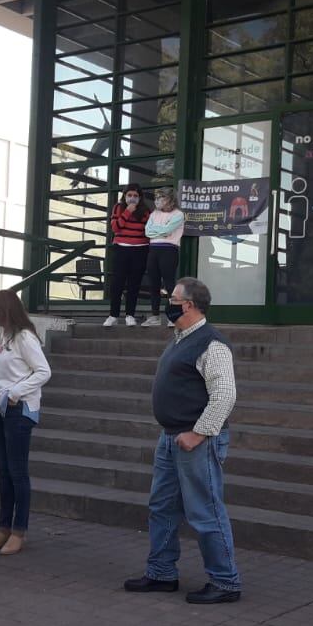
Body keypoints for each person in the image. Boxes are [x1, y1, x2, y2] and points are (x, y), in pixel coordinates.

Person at [123, 277, 242, 604]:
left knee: (205, 510)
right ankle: (161, 572)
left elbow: (225, 395)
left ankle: (226, 581)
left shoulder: (211, 344)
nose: (167, 303)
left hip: (196, 440)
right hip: (172, 437)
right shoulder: (180, 338)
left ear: (188, 305)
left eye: (173, 298)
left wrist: (199, 433)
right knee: (162, 506)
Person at [0, 289, 50, 556]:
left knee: (18, 472)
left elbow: (43, 371)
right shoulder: (5, 336)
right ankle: (2, 527)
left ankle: (18, 530)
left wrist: (16, 392)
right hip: (1, 408)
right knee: (4, 472)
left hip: (19, 409)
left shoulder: (24, 337)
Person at [103, 183, 150, 328]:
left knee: (134, 284)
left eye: (135, 196)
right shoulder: (118, 207)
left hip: (140, 250)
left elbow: (149, 231)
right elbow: (115, 227)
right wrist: (128, 211)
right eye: (129, 195)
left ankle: (130, 315)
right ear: (124, 196)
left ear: (140, 198)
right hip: (121, 249)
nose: (132, 198)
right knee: (117, 283)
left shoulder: (146, 211)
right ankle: (113, 315)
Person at [142, 186, 185, 327]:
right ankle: (155, 316)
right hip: (153, 250)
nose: (157, 200)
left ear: (169, 199)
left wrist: (159, 231)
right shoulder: (154, 214)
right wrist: (161, 232)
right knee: (154, 283)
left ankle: (173, 317)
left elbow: (168, 230)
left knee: (169, 284)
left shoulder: (178, 214)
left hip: (169, 250)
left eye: (161, 197)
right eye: (156, 198)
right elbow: (147, 232)